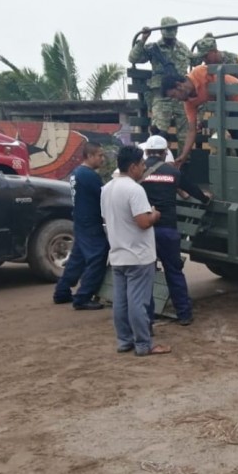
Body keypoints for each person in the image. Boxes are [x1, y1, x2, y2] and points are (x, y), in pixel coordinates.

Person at [101, 145, 170, 356]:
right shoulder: (134, 189)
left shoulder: (107, 188)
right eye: (141, 165)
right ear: (133, 167)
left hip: (119, 253)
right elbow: (142, 221)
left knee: (121, 301)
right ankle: (143, 344)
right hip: (138, 256)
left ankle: (124, 341)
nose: (143, 168)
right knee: (138, 302)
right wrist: (155, 215)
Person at [139, 135, 210, 326]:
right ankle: (184, 314)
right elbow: (193, 190)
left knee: (147, 273)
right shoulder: (172, 173)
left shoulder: (138, 172)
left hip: (145, 230)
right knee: (174, 272)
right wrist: (205, 199)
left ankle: (149, 314)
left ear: (146, 152)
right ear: (164, 153)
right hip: (168, 230)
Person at [53, 142, 110, 309]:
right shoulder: (89, 175)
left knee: (78, 258)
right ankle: (83, 297)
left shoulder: (76, 173)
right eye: (99, 155)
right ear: (90, 156)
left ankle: (62, 291)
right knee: (98, 256)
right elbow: (105, 195)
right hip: (91, 223)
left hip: (80, 220)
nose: (102, 158)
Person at [162, 63, 238, 166]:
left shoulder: (199, 72)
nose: (176, 99)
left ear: (179, 85)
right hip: (227, 112)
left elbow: (220, 69)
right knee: (237, 144)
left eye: (174, 95)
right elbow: (192, 130)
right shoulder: (189, 103)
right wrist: (183, 156)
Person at [128, 17, 193, 144]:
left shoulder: (183, 48)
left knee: (185, 133)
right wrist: (143, 39)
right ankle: (158, 159)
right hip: (161, 94)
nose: (170, 32)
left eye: (172, 29)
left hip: (181, 94)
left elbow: (195, 61)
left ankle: (184, 161)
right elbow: (133, 58)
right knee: (159, 131)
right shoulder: (154, 47)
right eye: (168, 29)